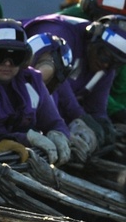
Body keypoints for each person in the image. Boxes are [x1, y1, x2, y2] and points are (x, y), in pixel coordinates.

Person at [0, 19, 72, 166]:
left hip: (28, 163)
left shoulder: (33, 80)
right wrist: (25, 138)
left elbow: (54, 122)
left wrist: (59, 134)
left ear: (26, 59)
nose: (7, 63)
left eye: (15, 57)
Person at [24, 12, 126, 146]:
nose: (106, 65)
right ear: (93, 36)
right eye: (104, 56)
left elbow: (96, 107)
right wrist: (80, 117)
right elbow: (54, 82)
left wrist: (103, 126)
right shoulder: (59, 34)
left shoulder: (106, 69)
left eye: (115, 63)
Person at [26, 33, 99, 159]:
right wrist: (25, 137)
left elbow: (55, 122)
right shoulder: (8, 88)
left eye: (48, 63)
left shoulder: (49, 95)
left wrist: (65, 134)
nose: (37, 75)